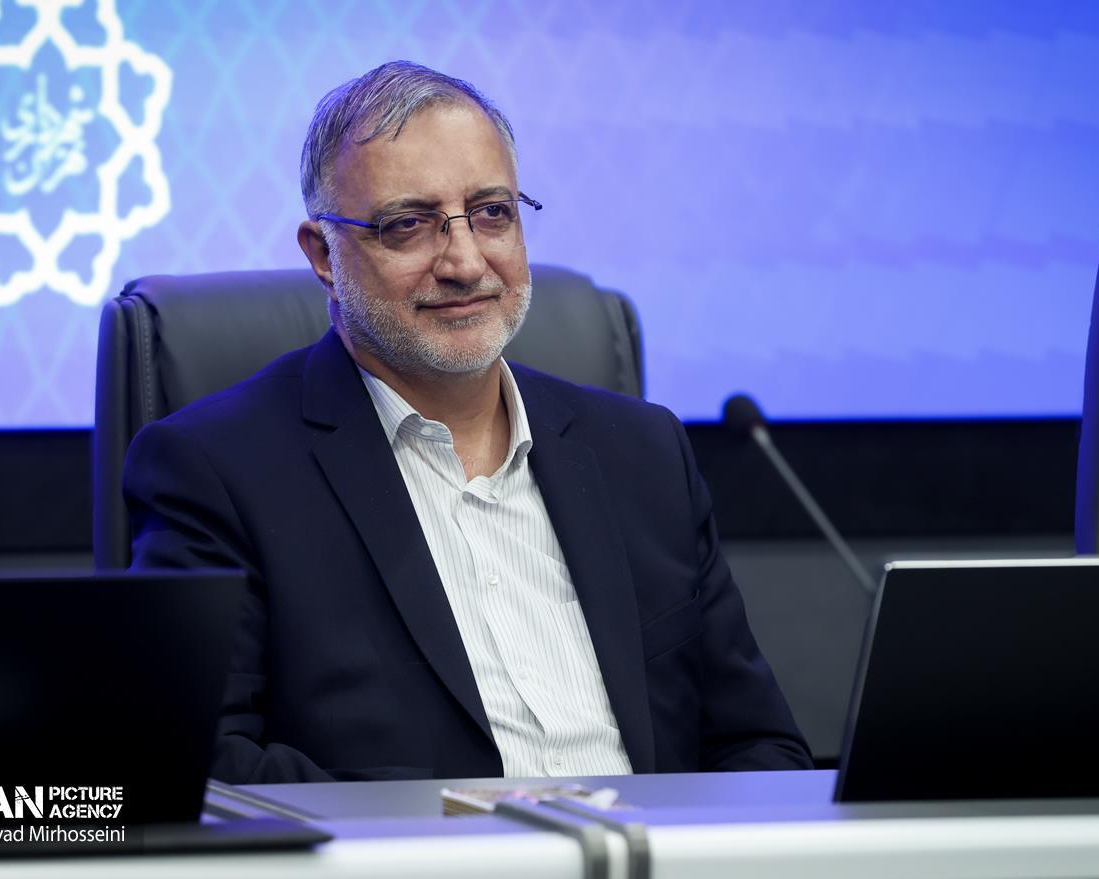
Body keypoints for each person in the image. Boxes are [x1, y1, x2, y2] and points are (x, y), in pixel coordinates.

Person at [125, 60, 812, 782]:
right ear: (324, 255)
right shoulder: (218, 472)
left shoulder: (644, 453)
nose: (464, 261)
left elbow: (758, 748)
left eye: (492, 213)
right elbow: (202, 767)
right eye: (408, 225)